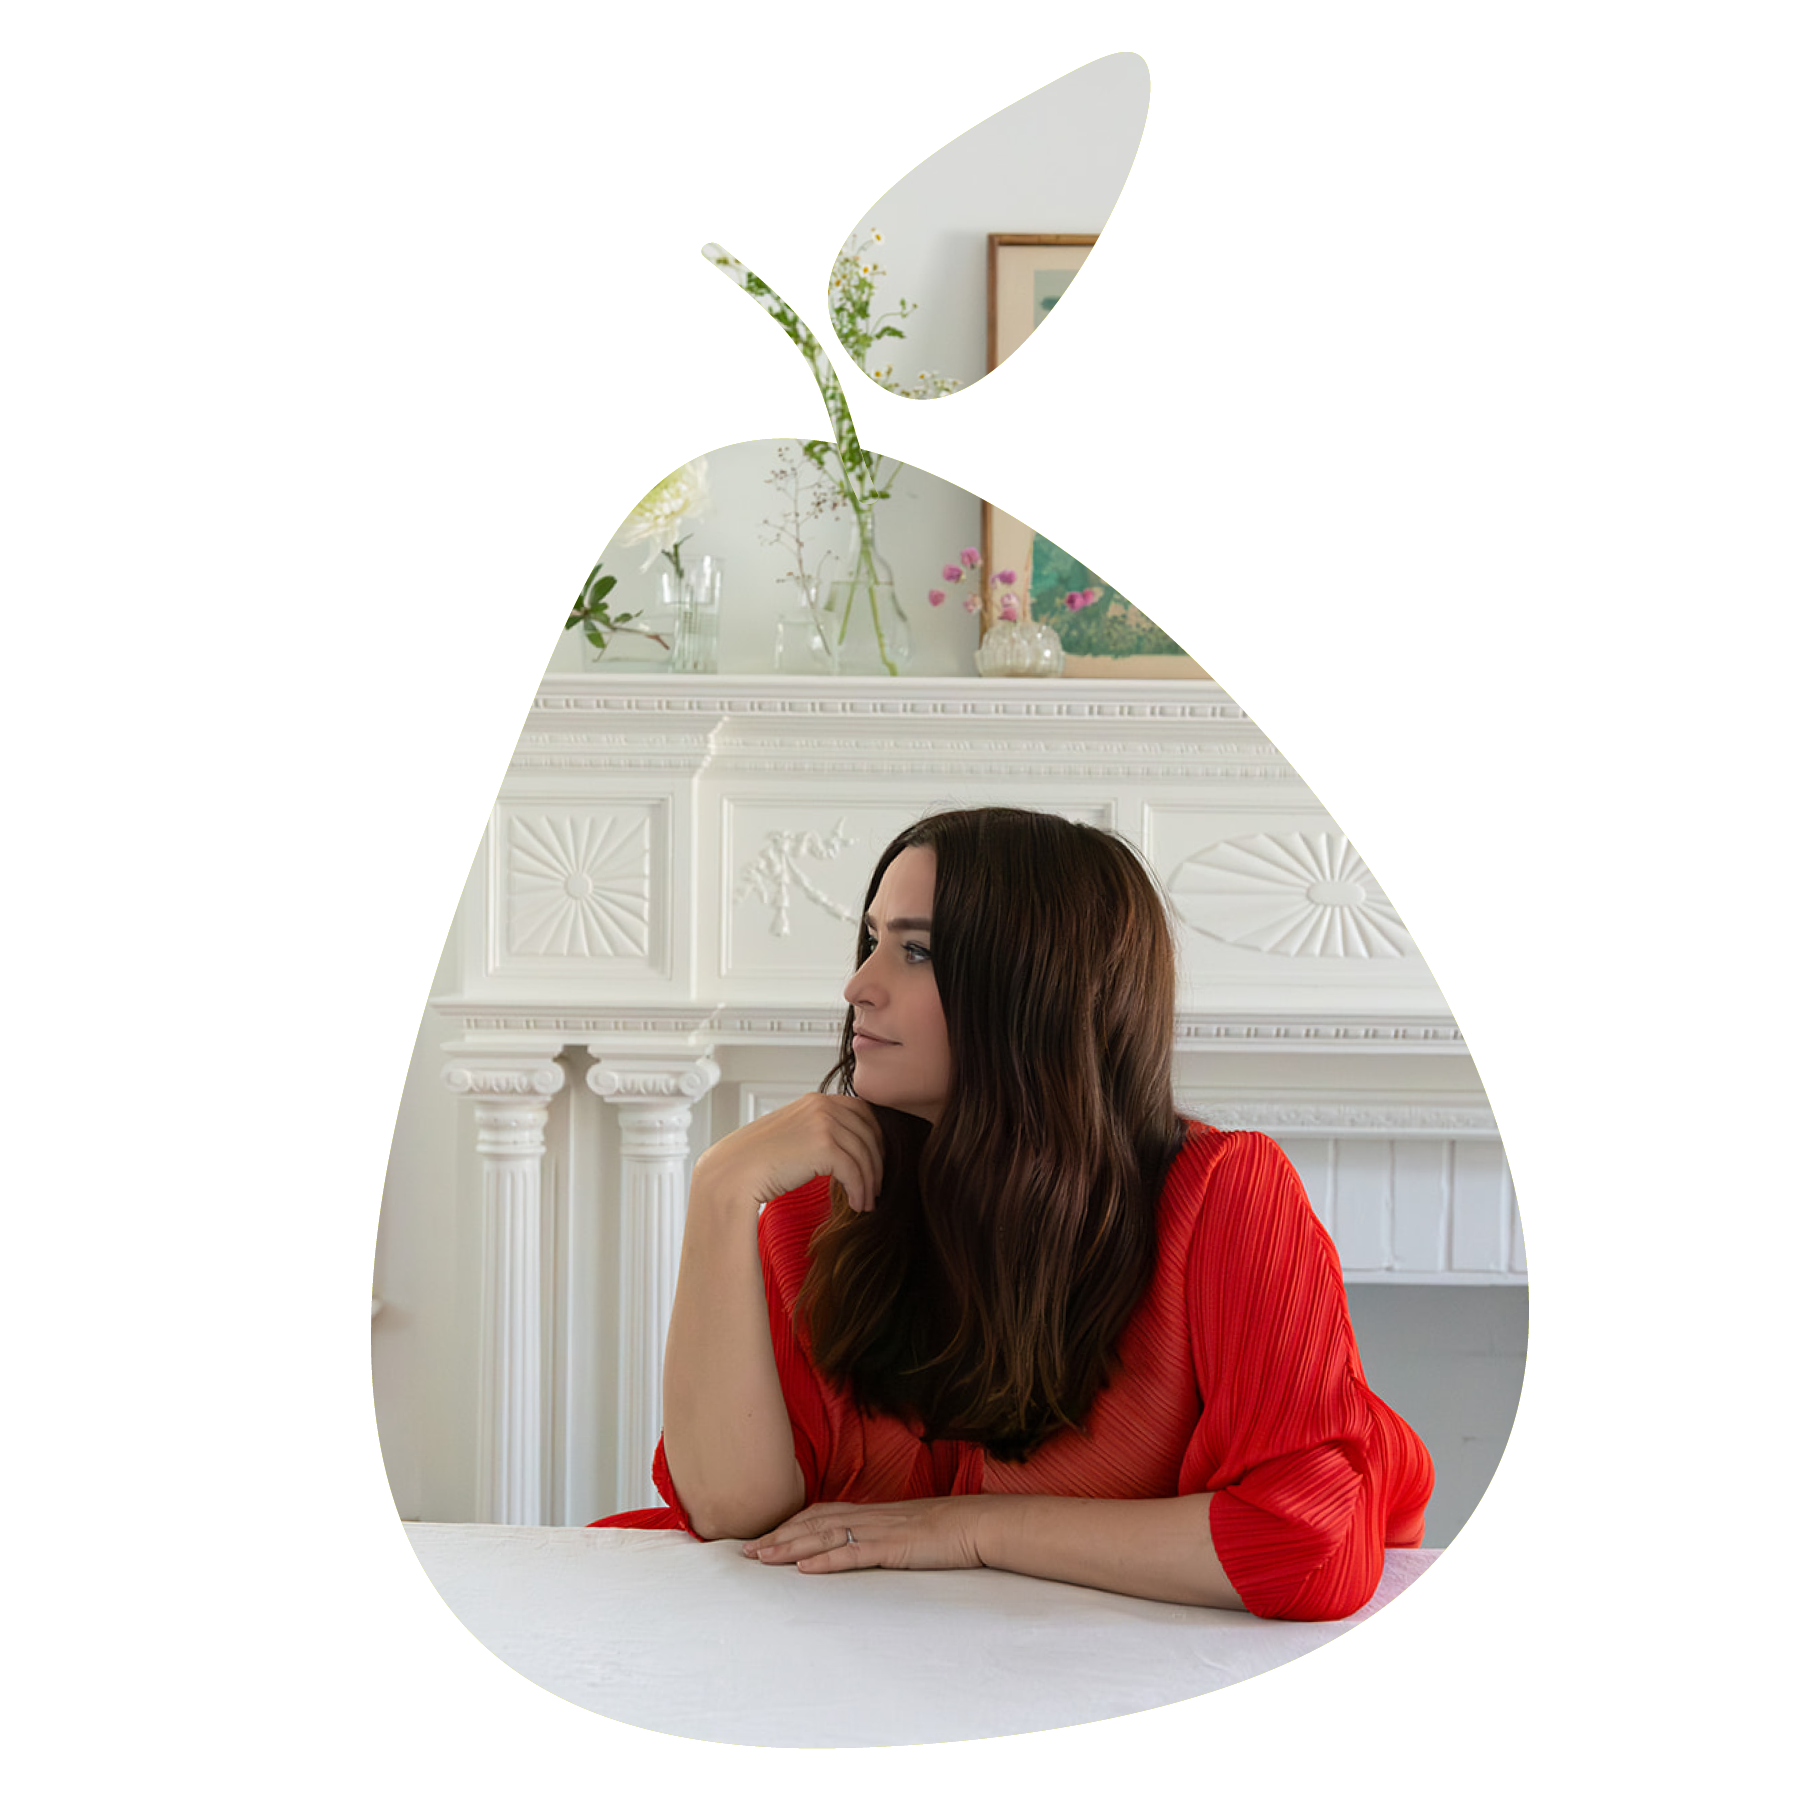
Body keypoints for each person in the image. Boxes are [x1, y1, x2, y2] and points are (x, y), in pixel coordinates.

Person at [591, 808, 1433, 1621]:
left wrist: (969, 1530)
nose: (858, 987)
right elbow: (732, 1514)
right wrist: (718, 1193)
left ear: (1038, 994)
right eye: (871, 941)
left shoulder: (1224, 1198)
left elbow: (1308, 1543)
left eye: (916, 951)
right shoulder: (826, 1203)